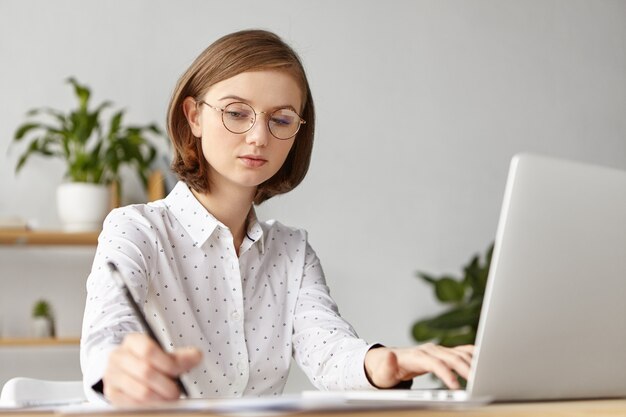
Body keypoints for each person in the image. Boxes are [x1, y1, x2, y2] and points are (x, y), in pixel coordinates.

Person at [80, 29, 473, 406]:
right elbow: (109, 329)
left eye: (281, 120)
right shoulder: (136, 229)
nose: (258, 137)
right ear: (194, 116)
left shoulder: (291, 251)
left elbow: (327, 348)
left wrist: (383, 363)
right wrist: (117, 370)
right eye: (237, 113)